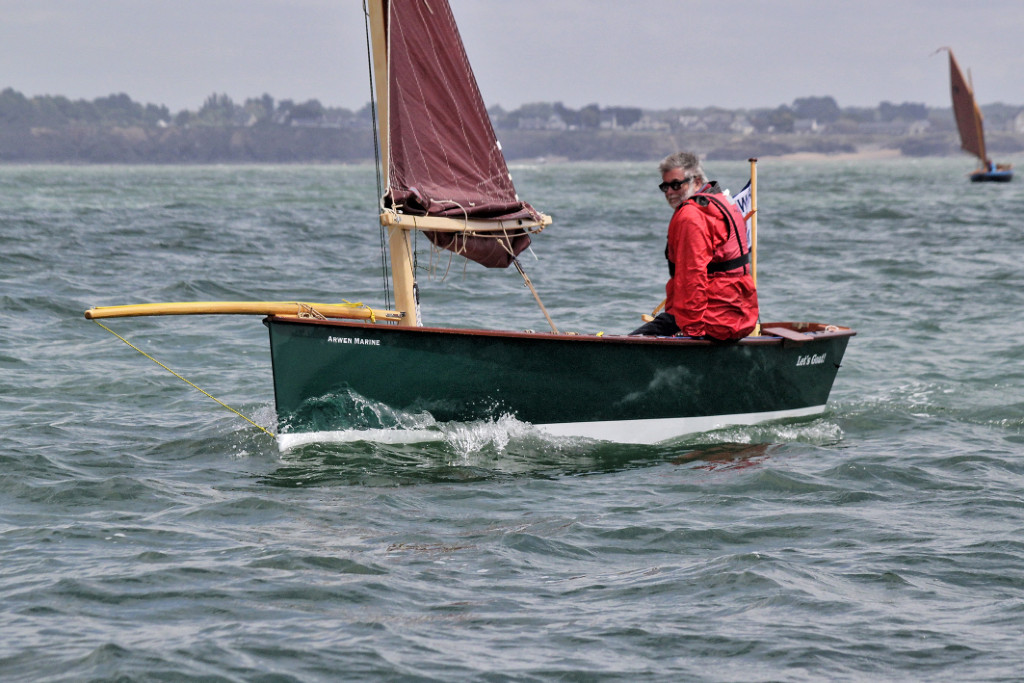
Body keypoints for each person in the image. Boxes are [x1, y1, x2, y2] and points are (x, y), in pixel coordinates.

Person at [630, 151, 758, 340]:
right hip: (738, 314)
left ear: (696, 182)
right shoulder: (722, 201)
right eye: (664, 187)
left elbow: (693, 277)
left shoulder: (691, 216)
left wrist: (692, 330)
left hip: (712, 319)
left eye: (676, 185)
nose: (669, 192)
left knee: (634, 341)